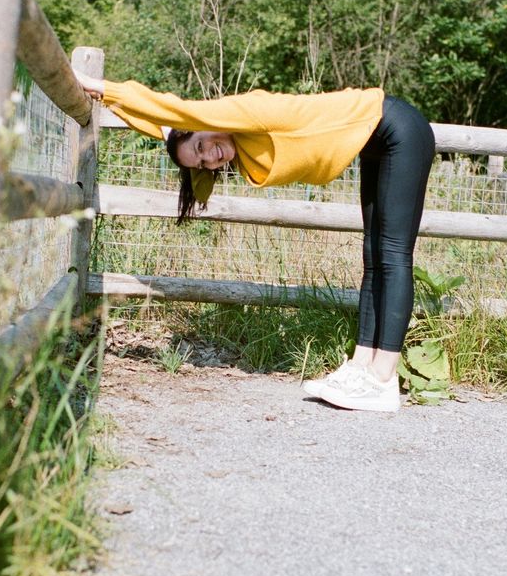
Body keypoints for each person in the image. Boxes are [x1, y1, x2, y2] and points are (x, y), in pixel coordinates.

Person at [74, 72, 435, 413]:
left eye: (202, 145)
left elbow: (173, 109)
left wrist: (104, 87)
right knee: (373, 257)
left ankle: (383, 377)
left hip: (397, 129)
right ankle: (363, 367)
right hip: (377, 142)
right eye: (201, 163)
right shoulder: (227, 139)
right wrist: (110, 105)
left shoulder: (243, 113)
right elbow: (163, 125)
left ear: (204, 123)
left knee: (392, 254)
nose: (210, 160)